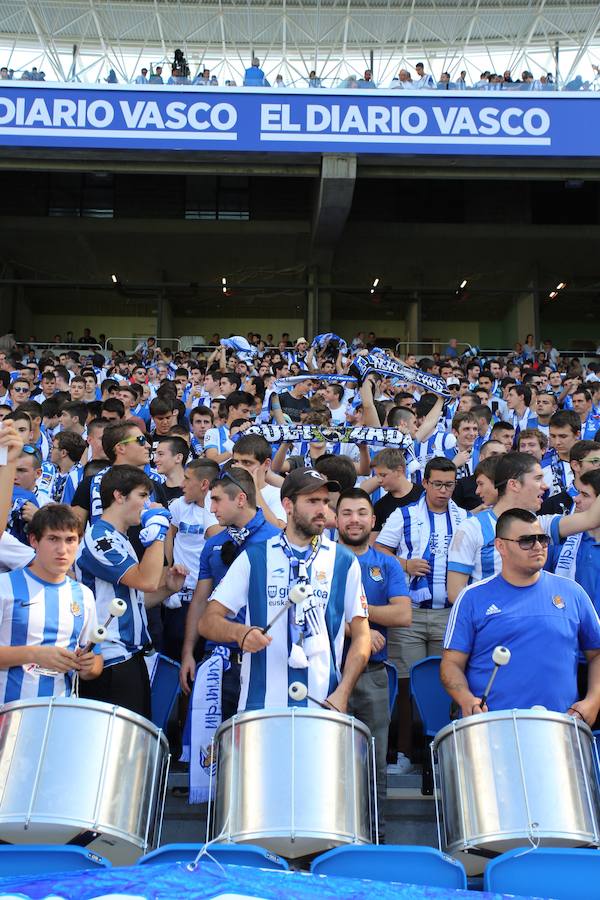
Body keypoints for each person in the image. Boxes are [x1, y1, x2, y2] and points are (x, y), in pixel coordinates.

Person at [200, 467, 371, 712]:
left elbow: (362, 634)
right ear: (288, 505)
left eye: (325, 501)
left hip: (323, 705)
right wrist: (240, 633)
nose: (322, 509)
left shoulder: (344, 561)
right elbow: (208, 621)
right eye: (312, 501)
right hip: (260, 706)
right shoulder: (255, 557)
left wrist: (343, 692)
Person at [441, 508, 600, 724]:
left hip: (559, 728)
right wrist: (466, 699)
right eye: (526, 541)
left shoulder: (573, 593)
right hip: (492, 728)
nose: (537, 547)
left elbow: (597, 654)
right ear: (500, 546)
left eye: (542, 539)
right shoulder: (472, 597)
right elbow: (451, 665)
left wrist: (593, 701)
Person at [375, 457, 468, 769]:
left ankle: (443, 754)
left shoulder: (464, 517)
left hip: (449, 615)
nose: (443, 491)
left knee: (447, 685)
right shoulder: (403, 515)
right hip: (410, 614)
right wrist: (406, 565)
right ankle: (404, 753)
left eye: (450, 485)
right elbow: (380, 551)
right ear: (424, 483)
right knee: (405, 685)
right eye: (438, 484)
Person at [75, 465, 183, 717]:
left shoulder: (119, 537)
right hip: (110, 659)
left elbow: (133, 600)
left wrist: (167, 588)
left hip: (128, 657)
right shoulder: (100, 539)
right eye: (143, 496)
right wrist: (157, 531)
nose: (148, 504)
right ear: (119, 496)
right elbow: (146, 580)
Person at [336, 488, 411, 839]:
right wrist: (360, 631)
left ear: (373, 520)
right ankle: (329, 834)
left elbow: (403, 613)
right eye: (347, 512)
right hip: (328, 673)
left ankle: (374, 837)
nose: (354, 519)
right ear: (335, 519)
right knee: (329, 758)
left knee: (374, 761)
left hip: (373, 673)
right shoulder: (323, 559)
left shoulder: (387, 563)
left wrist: (358, 622)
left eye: (361, 513)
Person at [180, 466, 280, 705]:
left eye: (216, 500)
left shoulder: (277, 541)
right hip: (218, 659)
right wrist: (188, 653)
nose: (211, 509)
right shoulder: (213, 544)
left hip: (263, 658)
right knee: (213, 742)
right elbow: (200, 601)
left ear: (241, 499)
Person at [447, 451, 600, 602]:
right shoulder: (471, 528)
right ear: (514, 484)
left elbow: (591, 519)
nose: (545, 486)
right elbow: (456, 593)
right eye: (538, 478)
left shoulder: (539, 525)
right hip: (492, 624)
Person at [0, 504, 103, 704]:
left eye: (70, 540)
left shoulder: (84, 595)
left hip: (57, 716)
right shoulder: (5, 586)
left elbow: (95, 660)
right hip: (6, 714)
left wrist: (89, 666)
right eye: (53, 539)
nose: (62, 550)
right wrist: (34, 653)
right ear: (33, 541)